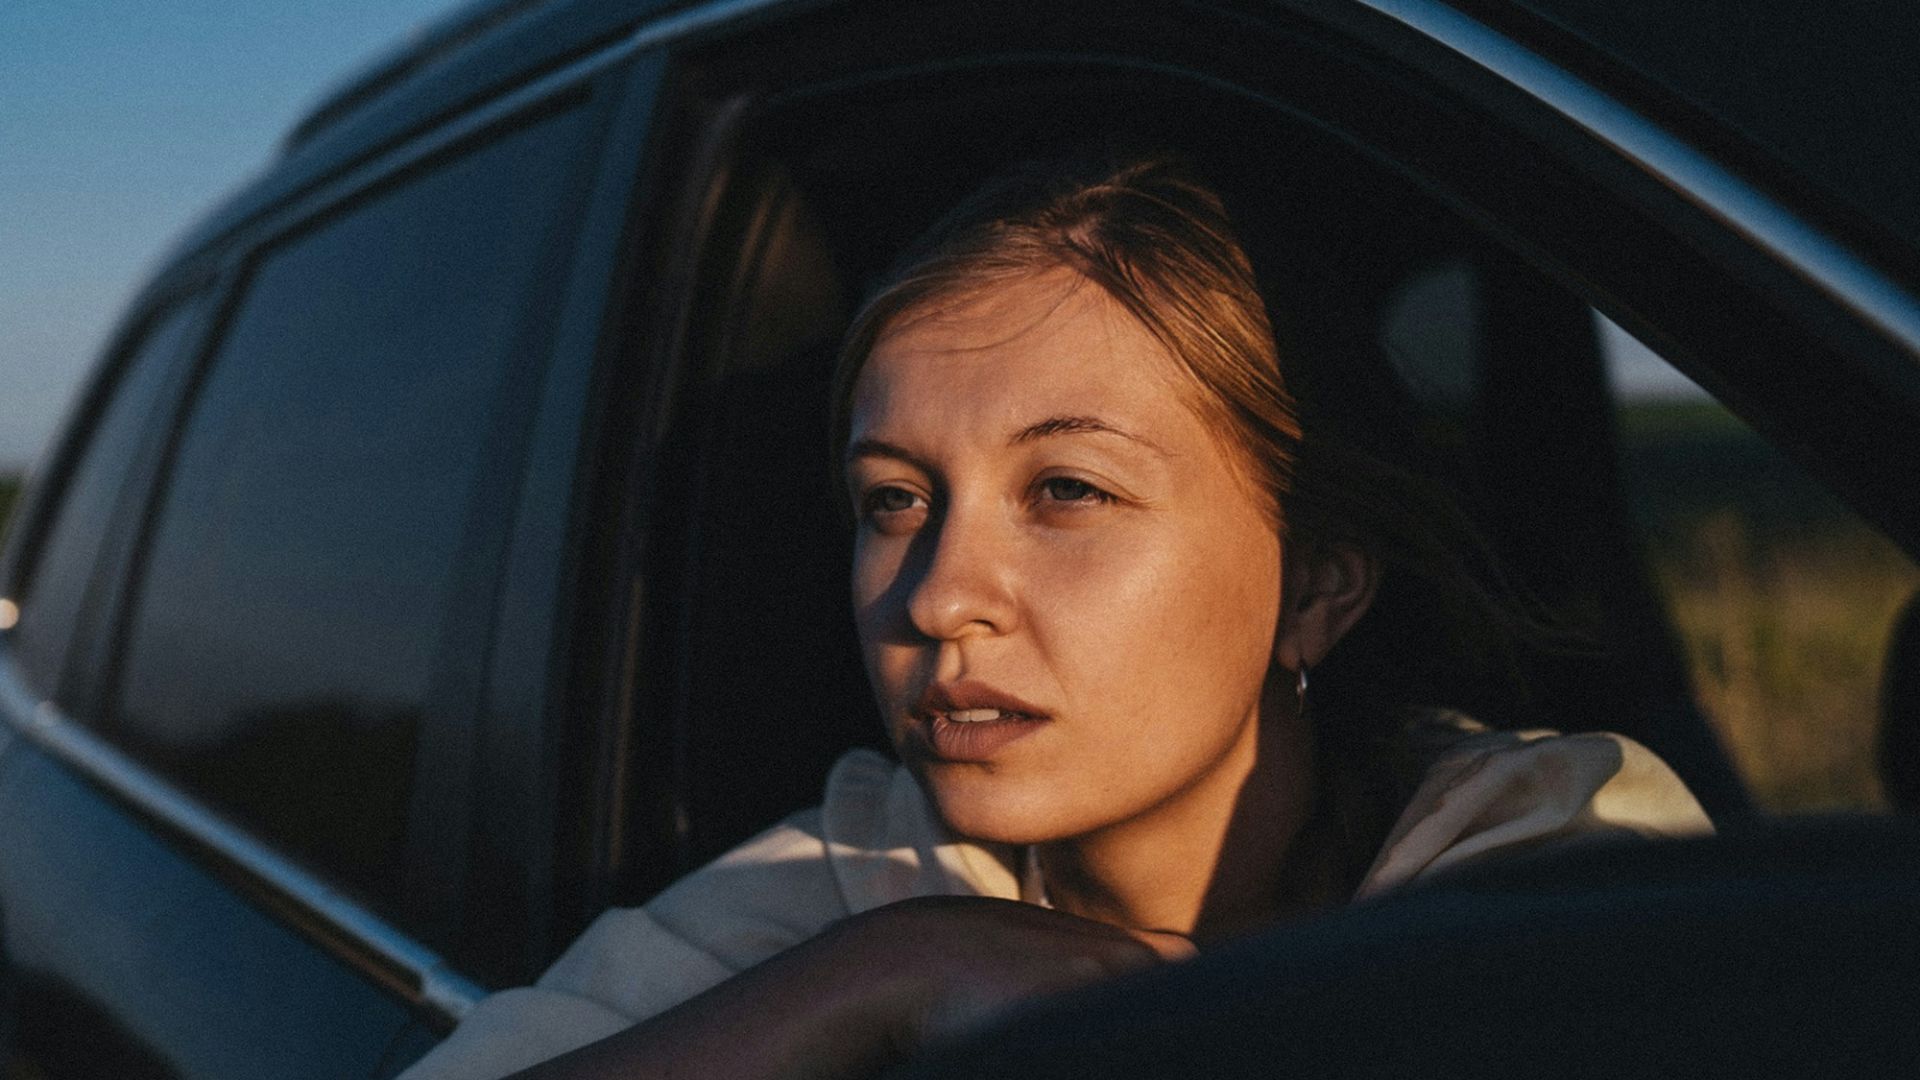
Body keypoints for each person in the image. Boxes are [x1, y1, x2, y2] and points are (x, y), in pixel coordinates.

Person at [399, 155, 1712, 1080]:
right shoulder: (864, 878)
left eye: (1068, 489)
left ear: (1315, 584)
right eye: (896, 500)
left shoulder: (1547, 850)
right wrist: (884, 974)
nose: (940, 596)